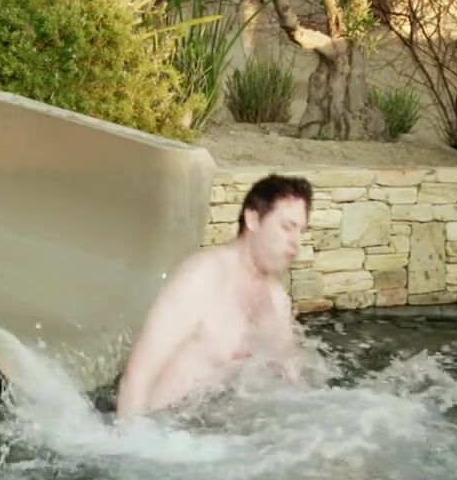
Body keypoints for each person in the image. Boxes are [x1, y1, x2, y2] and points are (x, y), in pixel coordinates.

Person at [115, 173, 314, 419]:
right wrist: (130, 438)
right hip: (164, 427)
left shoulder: (277, 300)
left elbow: (293, 384)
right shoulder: (202, 278)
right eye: (287, 228)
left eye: (302, 231)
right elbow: (137, 376)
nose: (296, 243)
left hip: (221, 431)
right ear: (253, 219)